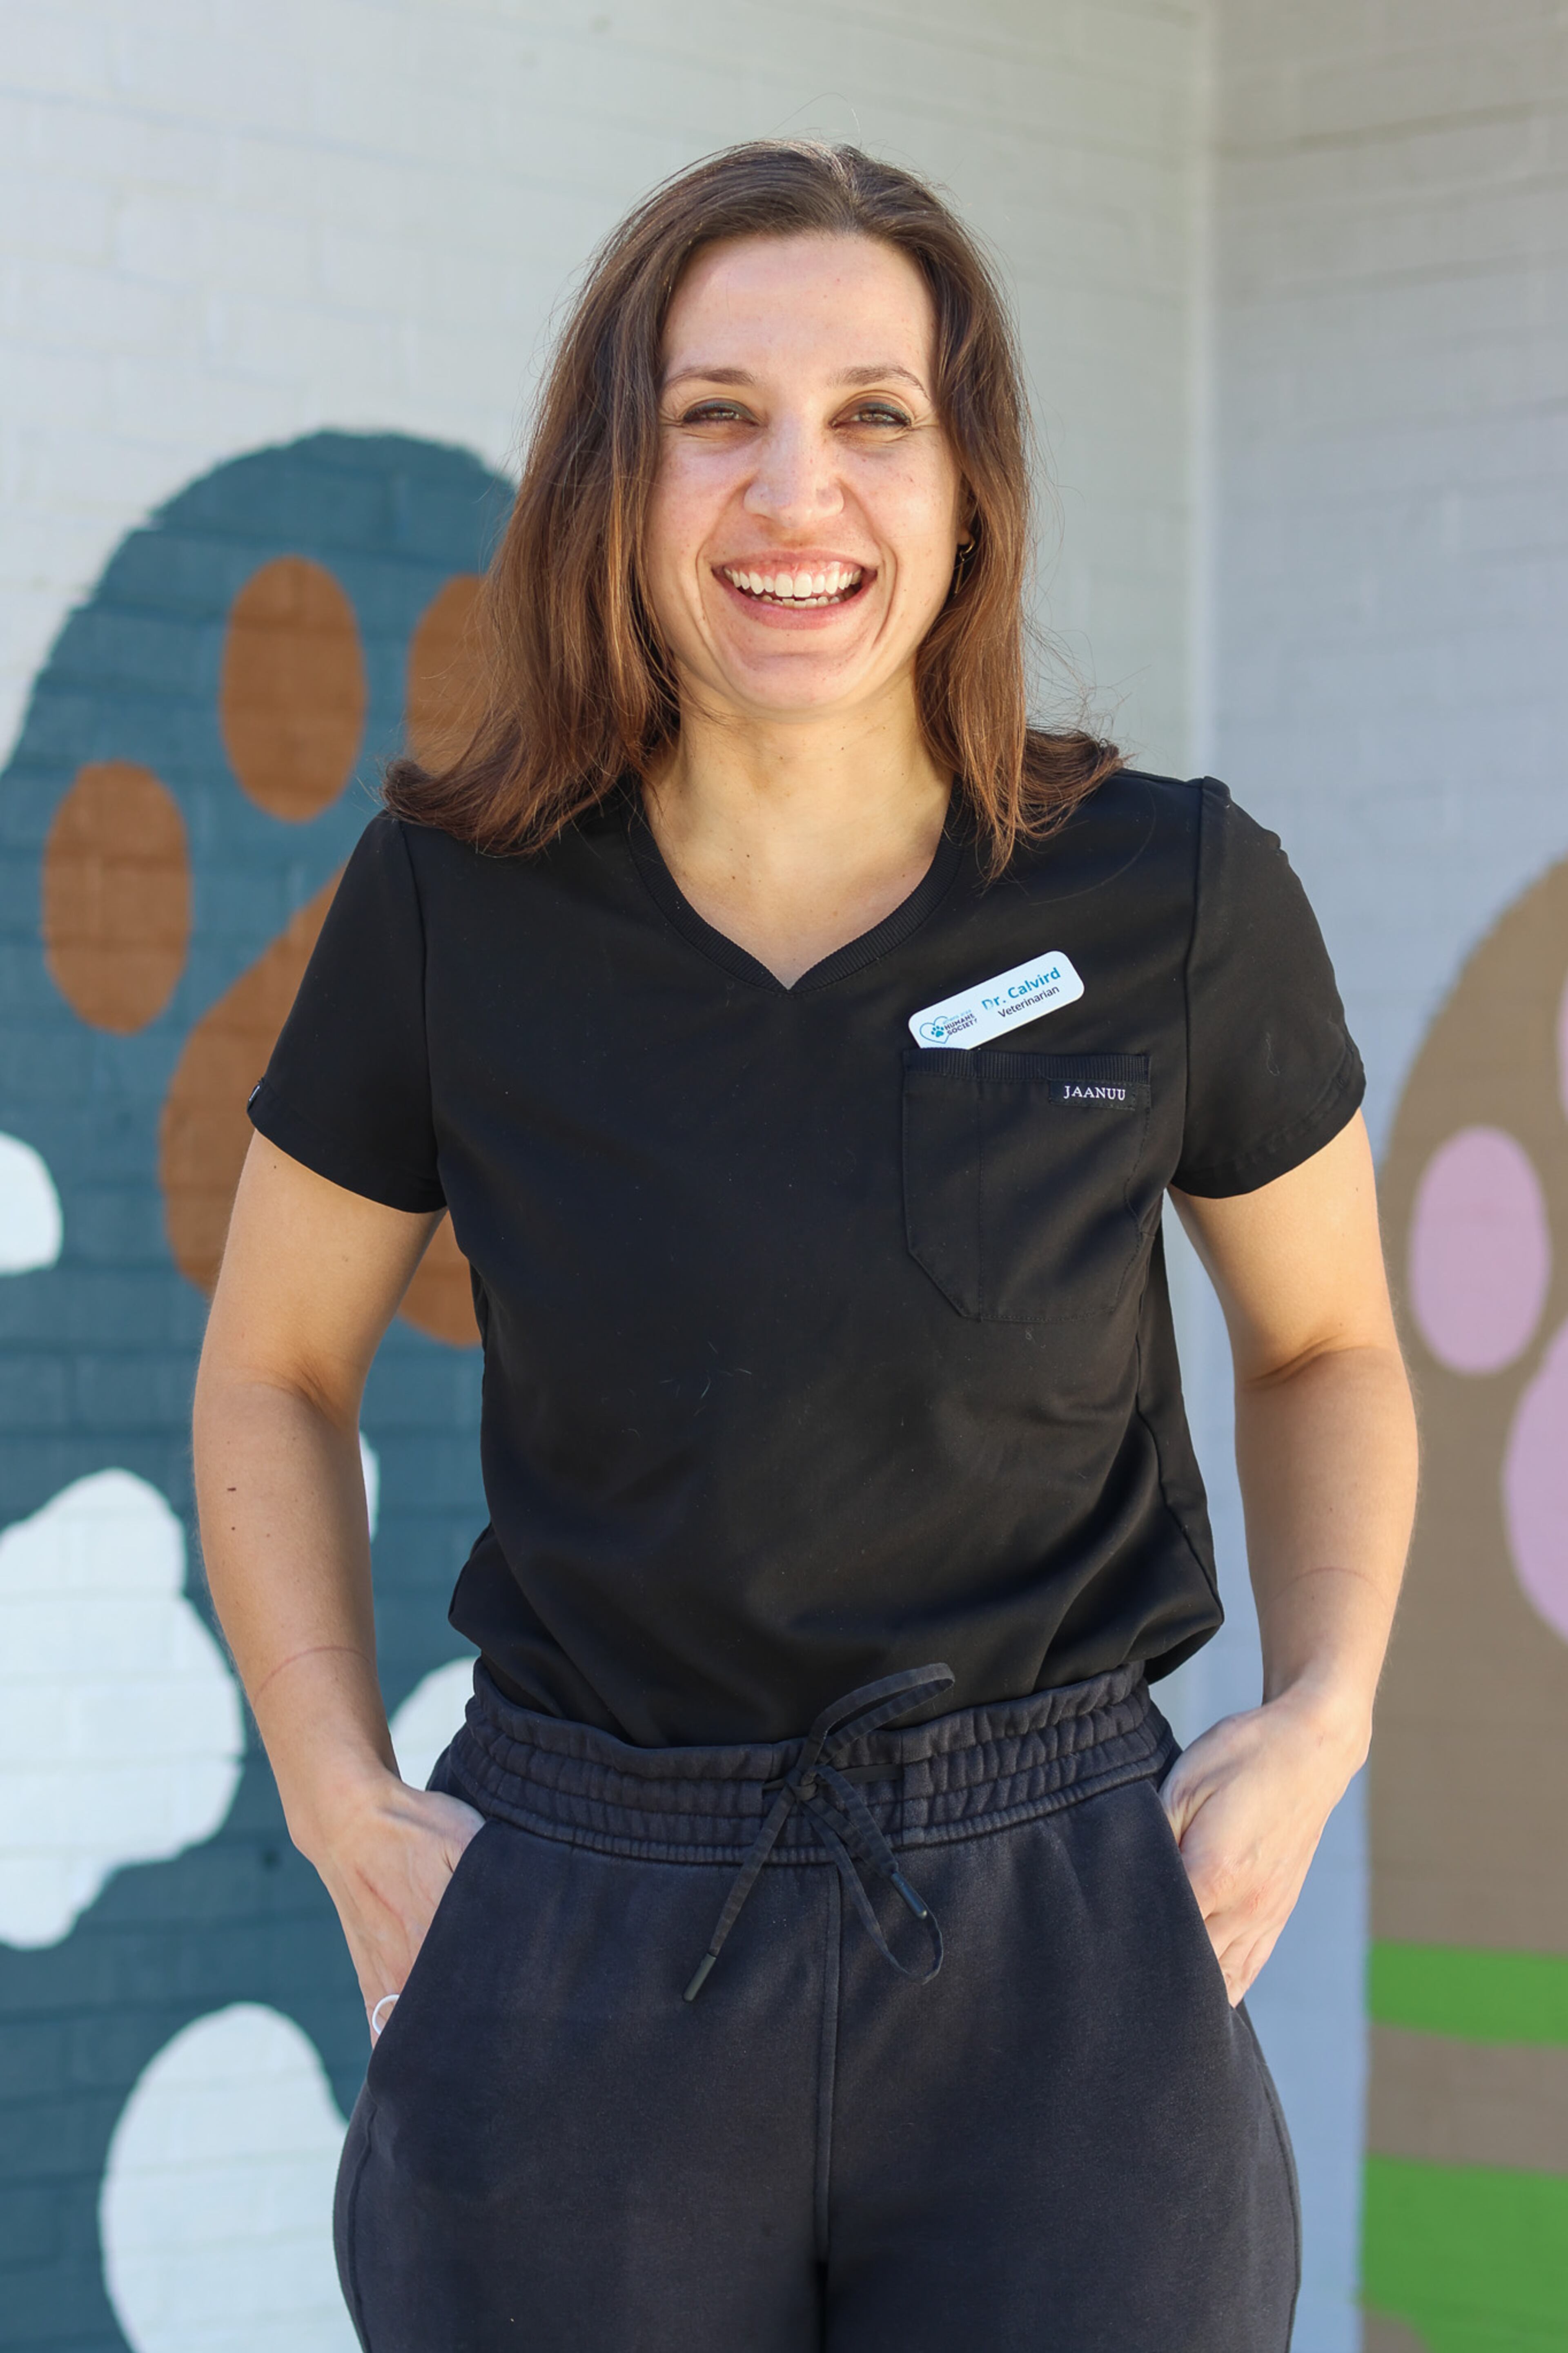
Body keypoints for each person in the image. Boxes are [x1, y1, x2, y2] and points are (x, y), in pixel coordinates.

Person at [194, 141, 1418, 2353]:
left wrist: (1323, 1716)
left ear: (966, 487)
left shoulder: (1170, 895)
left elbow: (1327, 1339)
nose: (797, 496)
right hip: (583, 1929)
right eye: (716, 417)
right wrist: (338, 1799)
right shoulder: (454, 910)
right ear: (618, 478)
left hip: (1065, 1935)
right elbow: (271, 1366)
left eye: (876, 417)